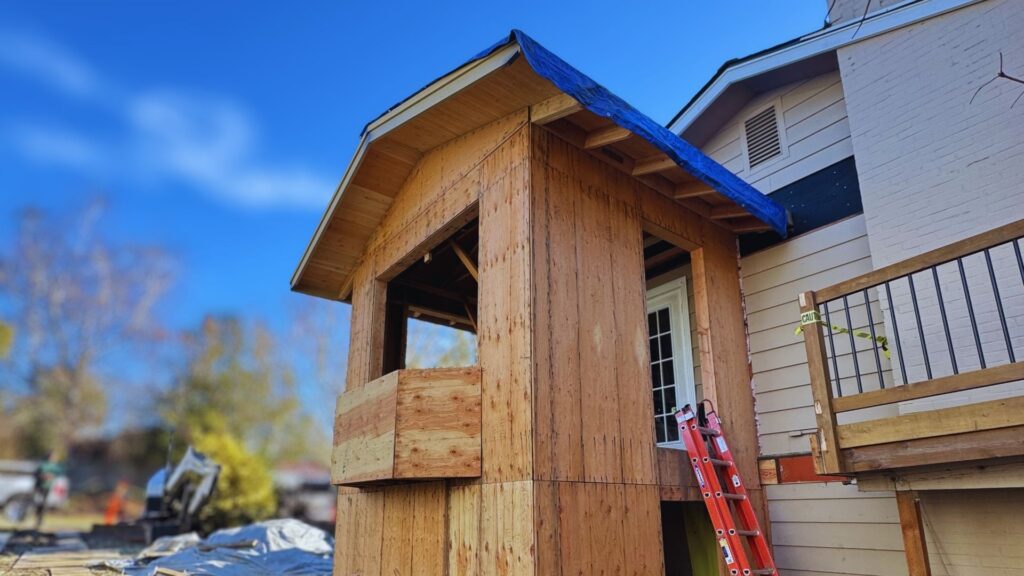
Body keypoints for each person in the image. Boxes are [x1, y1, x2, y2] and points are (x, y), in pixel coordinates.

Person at [32, 451, 64, 530]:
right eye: (52, 457)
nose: (53, 458)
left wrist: (52, 476)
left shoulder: (55, 466)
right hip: (40, 486)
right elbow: (36, 474)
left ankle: (41, 520)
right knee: (38, 502)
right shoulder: (43, 465)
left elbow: (59, 473)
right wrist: (43, 476)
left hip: (48, 486)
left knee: (44, 504)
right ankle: (37, 519)